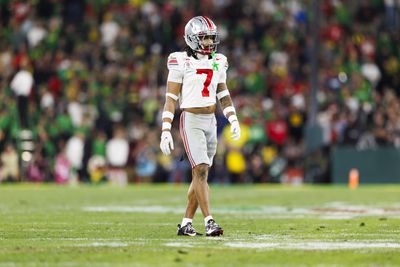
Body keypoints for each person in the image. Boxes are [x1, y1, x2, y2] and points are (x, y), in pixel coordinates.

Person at [159, 16, 241, 236]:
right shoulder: (179, 61)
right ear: (191, 39)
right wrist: (166, 129)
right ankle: (209, 221)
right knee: (201, 170)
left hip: (211, 121)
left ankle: (186, 223)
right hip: (191, 120)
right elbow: (170, 98)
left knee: (200, 175)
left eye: (211, 39)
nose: (208, 43)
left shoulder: (219, 60)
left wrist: (232, 117)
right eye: (204, 38)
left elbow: (222, 92)